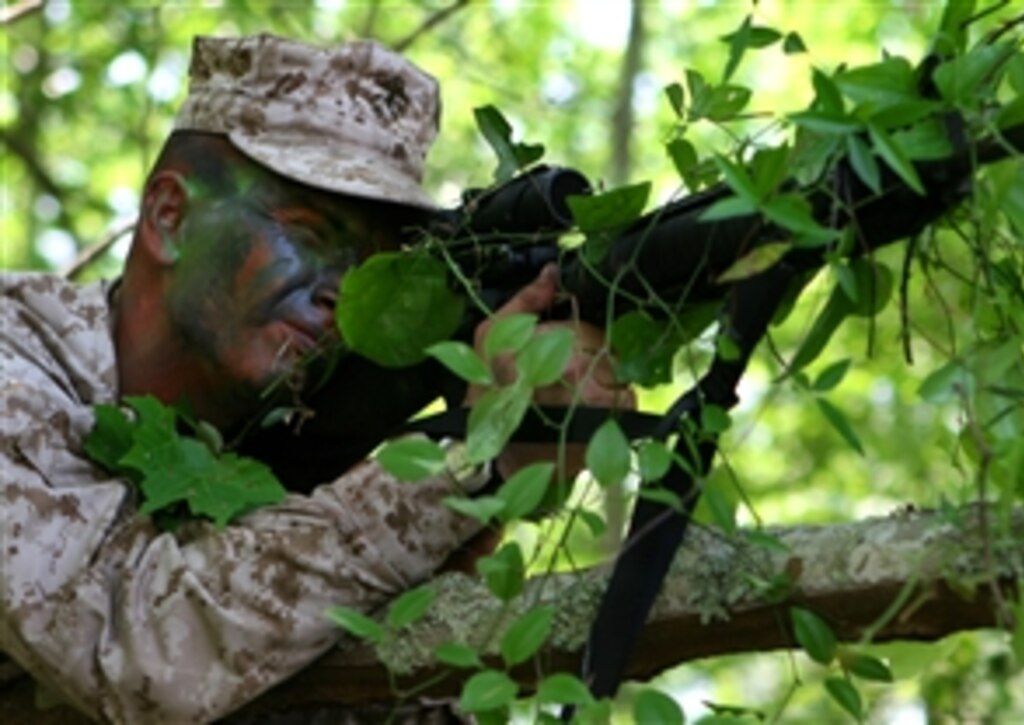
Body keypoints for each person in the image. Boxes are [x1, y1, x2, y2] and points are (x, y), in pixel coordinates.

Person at [0, 34, 631, 723]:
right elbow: (134, 653)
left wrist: (484, 510)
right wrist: (459, 459)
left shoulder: (307, 456)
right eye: (309, 233)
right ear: (168, 216)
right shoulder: (16, 358)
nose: (343, 293)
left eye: (373, 269)